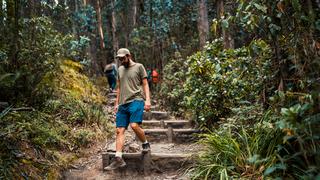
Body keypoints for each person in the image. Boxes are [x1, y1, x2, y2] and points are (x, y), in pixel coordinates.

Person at [104, 48, 151, 171]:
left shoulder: (139, 67)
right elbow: (119, 87)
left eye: (123, 58)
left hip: (137, 100)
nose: (121, 61)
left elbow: (145, 84)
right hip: (123, 104)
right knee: (119, 130)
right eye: (119, 59)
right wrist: (116, 103)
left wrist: (148, 100)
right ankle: (118, 158)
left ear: (128, 56)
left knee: (134, 125)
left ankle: (145, 143)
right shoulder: (119, 69)